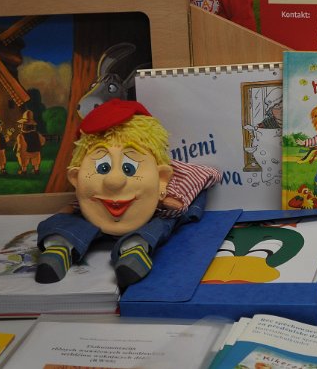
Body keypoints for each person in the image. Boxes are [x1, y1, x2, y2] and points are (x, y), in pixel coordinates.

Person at [35, 99, 220, 289]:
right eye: (103, 167)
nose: (114, 181)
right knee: (66, 221)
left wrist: (173, 195)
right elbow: (75, 206)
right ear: (76, 178)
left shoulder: (178, 175)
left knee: (160, 224)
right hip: (95, 216)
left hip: (147, 217)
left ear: (161, 177)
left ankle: (135, 249)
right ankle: (59, 246)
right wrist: (67, 211)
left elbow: (210, 174)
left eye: (129, 168)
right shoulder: (85, 196)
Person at [14, 109, 45, 175]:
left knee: (23, 161)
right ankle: (36, 170)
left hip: (25, 152)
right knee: (36, 161)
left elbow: (21, 145)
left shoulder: (21, 136)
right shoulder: (37, 134)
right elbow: (42, 141)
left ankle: (24, 170)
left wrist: (18, 151)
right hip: (36, 151)